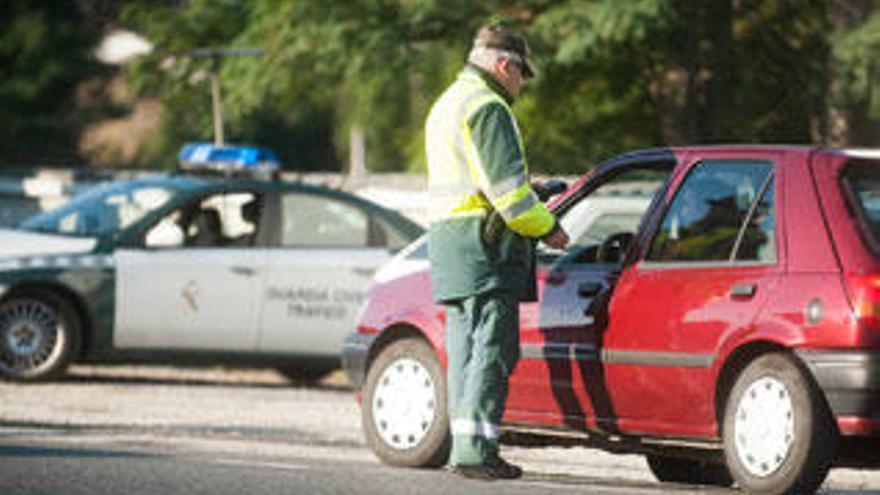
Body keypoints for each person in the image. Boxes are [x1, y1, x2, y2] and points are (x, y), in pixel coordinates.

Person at [424, 23, 569, 480]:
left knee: (464, 353)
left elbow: (478, 181)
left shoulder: (447, 103)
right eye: (522, 74)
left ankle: (463, 447)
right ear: (505, 65)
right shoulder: (489, 107)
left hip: (451, 245)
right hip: (487, 249)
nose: (522, 85)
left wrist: (529, 190)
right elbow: (510, 198)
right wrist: (551, 228)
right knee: (492, 351)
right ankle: (477, 453)